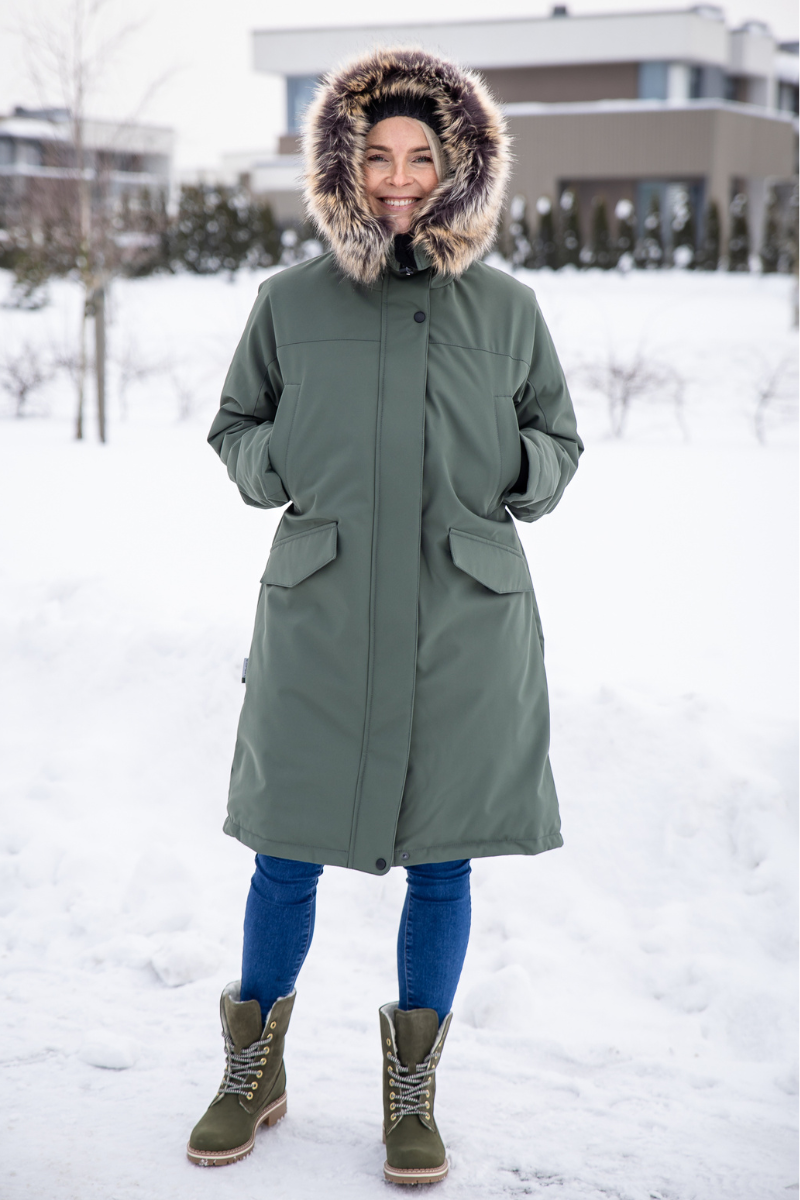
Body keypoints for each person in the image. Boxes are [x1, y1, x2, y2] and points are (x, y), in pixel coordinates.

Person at [187, 46, 583, 1185]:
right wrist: (284, 461)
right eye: (377, 157)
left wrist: (508, 461)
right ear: (342, 170)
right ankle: (252, 1070)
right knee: (284, 852)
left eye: (421, 157)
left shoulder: (507, 309)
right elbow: (235, 429)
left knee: (443, 864)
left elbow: (557, 446)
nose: (399, 178)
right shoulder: (288, 303)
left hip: (463, 623)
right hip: (321, 613)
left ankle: (413, 1095)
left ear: (460, 168)